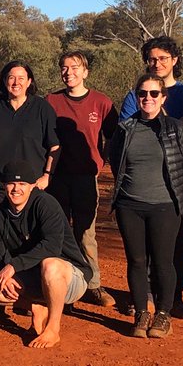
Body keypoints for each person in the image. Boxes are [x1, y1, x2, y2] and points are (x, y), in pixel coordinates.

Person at [109, 73, 183, 340]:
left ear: (163, 97)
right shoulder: (125, 128)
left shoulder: (175, 128)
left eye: (153, 94)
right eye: (143, 94)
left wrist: (172, 194)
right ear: (137, 97)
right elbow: (116, 161)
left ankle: (163, 314)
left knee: (162, 261)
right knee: (136, 260)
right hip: (129, 204)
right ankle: (141, 313)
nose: (148, 98)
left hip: (164, 205)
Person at [118, 37, 183, 316]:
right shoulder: (134, 94)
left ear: (175, 60)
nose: (157, 64)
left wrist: (157, 111)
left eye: (163, 58)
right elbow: (127, 131)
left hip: (176, 182)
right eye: (152, 59)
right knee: (140, 248)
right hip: (139, 183)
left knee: (175, 241)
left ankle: (174, 297)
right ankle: (145, 296)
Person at [0, 161, 90, 349]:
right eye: (11, 183)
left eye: (22, 184)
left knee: (50, 265)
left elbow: (51, 246)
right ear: (4, 185)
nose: (16, 189)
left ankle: (53, 329)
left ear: (32, 186)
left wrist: (13, 266)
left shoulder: (46, 204)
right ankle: (36, 307)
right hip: (32, 278)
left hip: (69, 278)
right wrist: (0, 273)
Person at [45, 49, 119, 309]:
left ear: (85, 72)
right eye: (64, 68)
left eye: (75, 67)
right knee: (58, 231)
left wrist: (102, 160)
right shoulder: (51, 101)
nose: (69, 73)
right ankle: (62, 286)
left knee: (86, 232)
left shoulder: (101, 103)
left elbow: (115, 135)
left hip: (87, 177)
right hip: (56, 178)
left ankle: (93, 284)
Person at [0, 60, 59, 208]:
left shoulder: (42, 108)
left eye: (21, 78)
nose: (16, 83)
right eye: (11, 77)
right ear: (5, 81)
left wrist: (47, 176)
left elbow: (54, 146)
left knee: (32, 231)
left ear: (29, 82)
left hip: (32, 188)